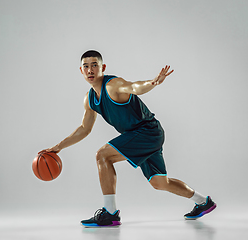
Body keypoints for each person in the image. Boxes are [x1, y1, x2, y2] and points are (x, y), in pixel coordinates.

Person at [40, 50, 216, 227]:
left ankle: (110, 213)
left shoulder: (113, 85)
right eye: (86, 66)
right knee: (160, 182)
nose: (90, 70)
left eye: (94, 65)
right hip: (142, 135)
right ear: (81, 70)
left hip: (147, 131)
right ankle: (203, 202)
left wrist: (152, 83)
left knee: (103, 155)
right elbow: (85, 129)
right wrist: (58, 147)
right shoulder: (90, 99)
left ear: (103, 68)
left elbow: (134, 87)